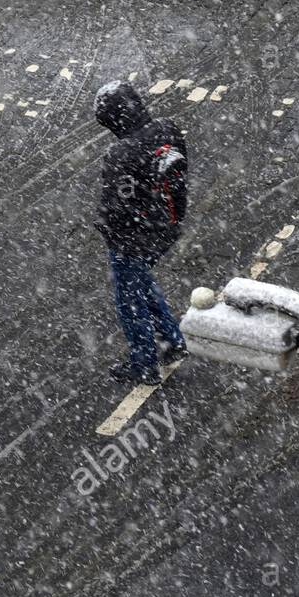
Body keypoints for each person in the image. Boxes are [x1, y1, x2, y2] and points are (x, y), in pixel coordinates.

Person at [93, 81, 191, 386]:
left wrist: (110, 229)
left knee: (129, 300)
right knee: (141, 283)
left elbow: (114, 204)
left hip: (132, 239)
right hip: (168, 225)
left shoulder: (119, 153)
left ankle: (144, 364)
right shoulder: (168, 129)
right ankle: (171, 341)